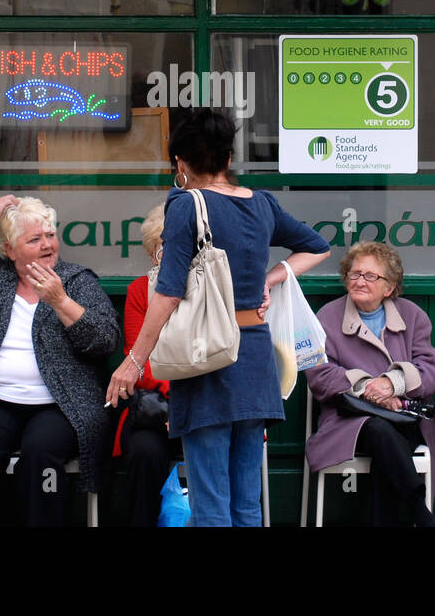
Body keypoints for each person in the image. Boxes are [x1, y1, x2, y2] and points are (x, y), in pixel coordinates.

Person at [106, 110, 330, 527]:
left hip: (206, 359)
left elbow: (168, 292)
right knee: (247, 504)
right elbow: (317, 247)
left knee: (210, 506)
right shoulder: (262, 203)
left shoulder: (184, 206)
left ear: (180, 164)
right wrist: (271, 278)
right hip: (255, 358)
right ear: (229, 158)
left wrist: (133, 361)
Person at [0, 195, 120, 526]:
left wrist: (60, 302)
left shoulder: (76, 281)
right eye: (34, 239)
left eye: (50, 235)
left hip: (60, 406)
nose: (47, 245)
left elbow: (105, 341)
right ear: (10, 249)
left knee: (41, 456)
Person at [306, 241, 435, 526]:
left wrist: (393, 384)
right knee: (380, 429)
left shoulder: (413, 316)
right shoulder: (327, 318)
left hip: (405, 415)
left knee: (389, 444)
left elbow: (430, 369)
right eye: (355, 274)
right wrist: (370, 390)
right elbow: (319, 373)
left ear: (389, 287)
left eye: (371, 276)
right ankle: (421, 513)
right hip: (350, 420)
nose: (360, 281)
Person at [113, 203, 183, 526]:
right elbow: (137, 360)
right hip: (158, 410)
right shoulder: (140, 291)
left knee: (224, 448)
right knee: (144, 451)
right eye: (162, 247)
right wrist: (176, 402)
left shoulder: (214, 290)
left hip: (207, 402)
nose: (171, 255)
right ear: (153, 252)